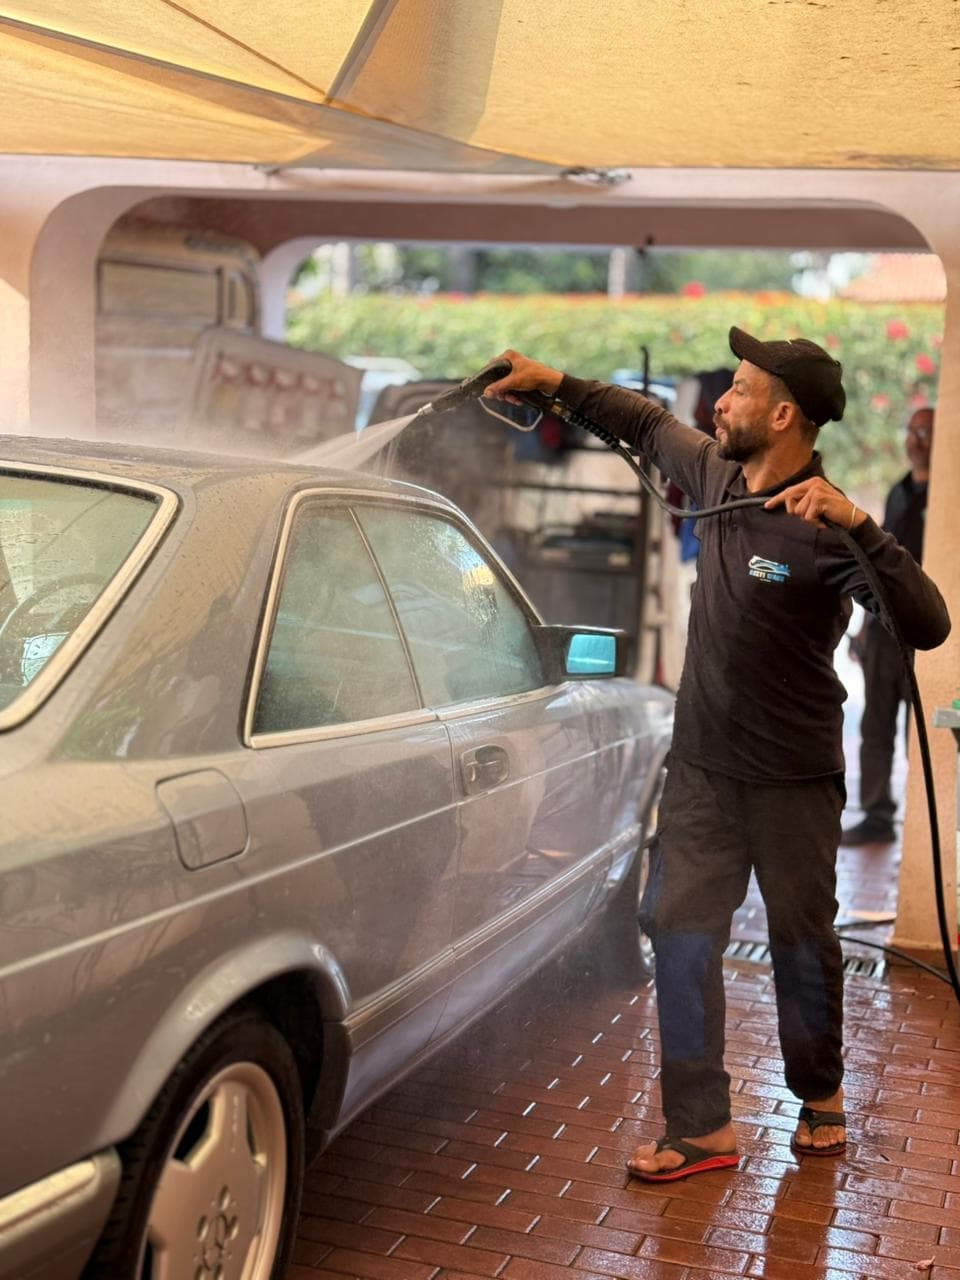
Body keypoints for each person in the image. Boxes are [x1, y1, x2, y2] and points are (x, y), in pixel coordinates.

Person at [483, 332, 950, 1182]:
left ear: (782, 415)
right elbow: (641, 417)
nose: (718, 404)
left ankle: (820, 1093)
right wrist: (552, 381)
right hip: (701, 771)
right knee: (681, 930)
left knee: (801, 941)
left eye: (736, 390)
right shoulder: (714, 476)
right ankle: (701, 1126)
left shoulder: (826, 529)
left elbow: (926, 624)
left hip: (793, 781)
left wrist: (863, 528)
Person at [841, 406, 935, 845]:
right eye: (911, 430)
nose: (916, 440)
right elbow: (874, 568)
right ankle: (877, 815)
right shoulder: (899, 491)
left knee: (923, 735)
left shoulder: (948, 494)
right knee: (874, 729)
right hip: (882, 633)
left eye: (925, 431)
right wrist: (861, 627)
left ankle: (923, 824)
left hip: (926, 637)